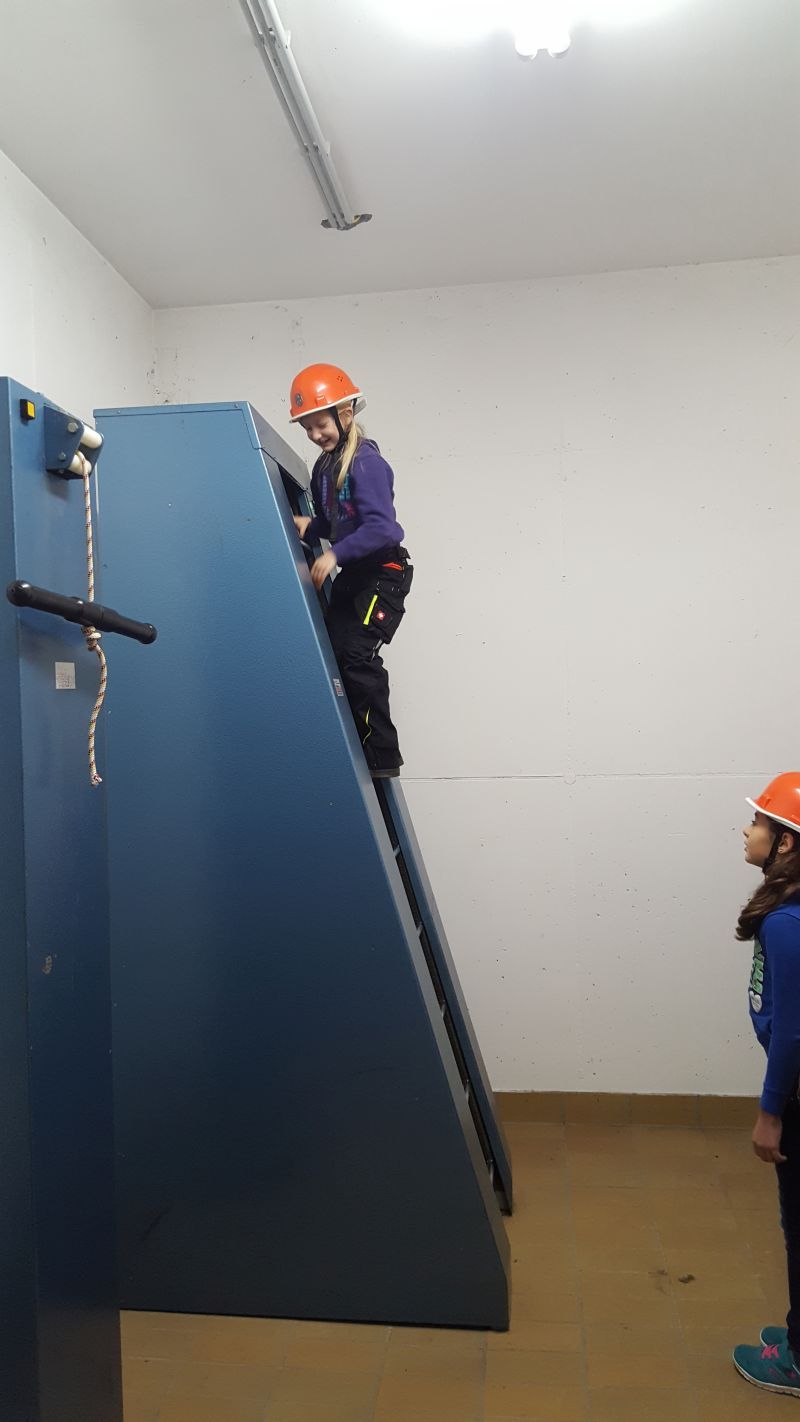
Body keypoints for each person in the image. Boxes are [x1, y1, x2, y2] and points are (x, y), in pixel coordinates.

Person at [289, 363, 412, 778]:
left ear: (345, 413)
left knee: (357, 655)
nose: (314, 434)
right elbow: (336, 522)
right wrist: (310, 527)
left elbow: (382, 528)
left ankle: (382, 757)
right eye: (307, 427)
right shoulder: (324, 468)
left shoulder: (366, 462)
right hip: (355, 573)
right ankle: (346, 742)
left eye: (320, 424)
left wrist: (334, 555)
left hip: (383, 572)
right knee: (330, 651)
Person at [733, 773, 800, 1396]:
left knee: (798, 1225)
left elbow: (793, 1033)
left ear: (785, 842)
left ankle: (798, 1359)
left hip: (797, 1099)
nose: (747, 830)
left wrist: (770, 1112)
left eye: (758, 821)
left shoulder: (786, 923)